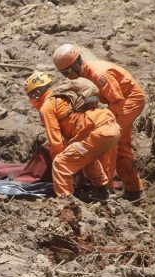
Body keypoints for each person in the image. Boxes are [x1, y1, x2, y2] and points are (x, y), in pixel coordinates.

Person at [52, 44, 146, 201]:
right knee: (122, 145)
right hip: (120, 102)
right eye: (63, 74)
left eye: (67, 72)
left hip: (130, 100)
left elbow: (116, 101)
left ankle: (105, 188)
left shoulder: (100, 75)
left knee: (108, 139)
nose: (67, 77)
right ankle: (134, 190)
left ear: (76, 64)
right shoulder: (85, 74)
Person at [25, 72, 120, 200]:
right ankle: (102, 190)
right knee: (86, 157)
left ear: (35, 94)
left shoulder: (47, 107)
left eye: (30, 95)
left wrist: (60, 164)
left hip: (98, 131)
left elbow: (56, 143)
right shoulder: (63, 97)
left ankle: (66, 202)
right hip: (111, 127)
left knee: (60, 163)